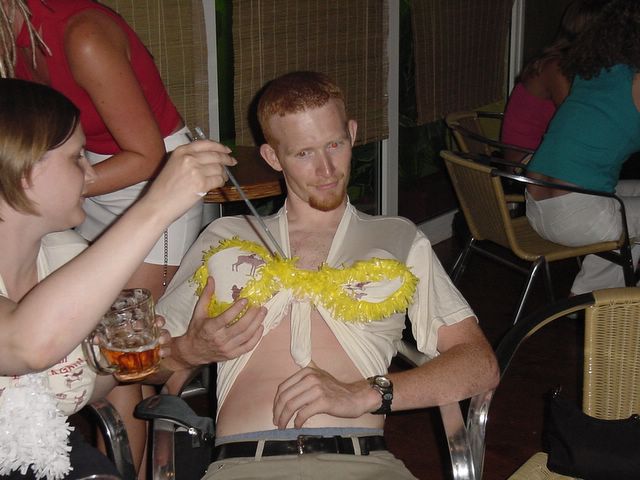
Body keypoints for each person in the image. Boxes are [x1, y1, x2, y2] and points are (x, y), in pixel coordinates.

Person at [157, 71, 499, 479]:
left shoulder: (397, 236)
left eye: (334, 144)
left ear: (352, 134)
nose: (325, 169)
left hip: (364, 464)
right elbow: (138, 366)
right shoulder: (226, 238)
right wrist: (187, 352)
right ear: (273, 158)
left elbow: (479, 364)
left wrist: (366, 393)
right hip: (245, 466)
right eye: (303, 153)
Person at [1, 0, 205, 470]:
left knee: (124, 336)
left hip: (144, 174)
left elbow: (147, 157)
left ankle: (142, 459)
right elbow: (32, 343)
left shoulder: (82, 35)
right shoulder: (14, 44)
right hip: (66, 182)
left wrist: (177, 353)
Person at [525, 0, 640, 295]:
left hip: (536, 203)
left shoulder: (592, 72)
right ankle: (611, 301)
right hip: (575, 215)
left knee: (632, 203)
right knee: (628, 222)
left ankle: (591, 297)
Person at [501, 0, 608, 164]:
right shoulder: (556, 67)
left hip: (547, 154)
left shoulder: (574, 64)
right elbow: (577, 119)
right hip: (526, 163)